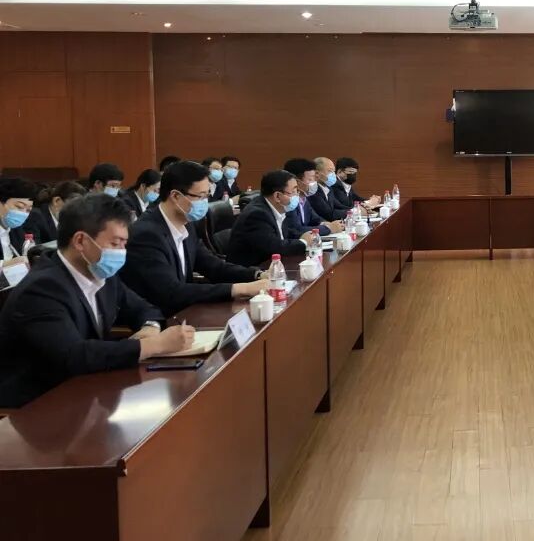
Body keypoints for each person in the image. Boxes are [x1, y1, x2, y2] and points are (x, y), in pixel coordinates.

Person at [0, 194, 195, 408]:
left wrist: (150, 327)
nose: (121, 253)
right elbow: (75, 356)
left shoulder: (101, 273)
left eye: (124, 244)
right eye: (115, 243)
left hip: (87, 388)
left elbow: (144, 308)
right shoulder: (42, 288)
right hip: (38, 404)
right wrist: (154, 345)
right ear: (80, 241)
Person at [122, 161, 268, 317]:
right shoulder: (146, 234)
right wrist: (241, 289)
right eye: (200, 196)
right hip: (159, 319)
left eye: (207, 196)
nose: (205, 202)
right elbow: (171, 292)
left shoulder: (187, 224)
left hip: (185, 311)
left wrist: (257, 275)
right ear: (175, 196)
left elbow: (214, 267)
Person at [227, 170, 319, 267]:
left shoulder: (278, 208)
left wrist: (305, 236)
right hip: (253, 270)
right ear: (277, 196)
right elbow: (274, 247)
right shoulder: (257, 215)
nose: (297, 195)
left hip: (272, 265)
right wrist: (303, 242)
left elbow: (287, 233)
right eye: (293, 192)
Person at [282, 158, 344, 238]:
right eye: (310, 179)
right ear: (297, 182)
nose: (314, 183)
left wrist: (327, 224)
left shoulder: (304, 199)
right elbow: (297, 230)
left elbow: (316, 219)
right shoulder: (289, 203)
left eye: (314, 179)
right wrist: (329, 228)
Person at [0, 178, 37, 263]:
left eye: (28, 210)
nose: (23, 213)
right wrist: (5, 265)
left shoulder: (17, 231)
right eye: (19, 207)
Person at [311, 157, 349, 221]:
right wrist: (353, 212)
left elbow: (340, 206)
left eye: (333, 171)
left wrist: (357, 209)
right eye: (330, 171)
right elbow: (329, 215)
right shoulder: (313, 191)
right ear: (317, 173)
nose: (333, 175)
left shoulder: (329, 188)